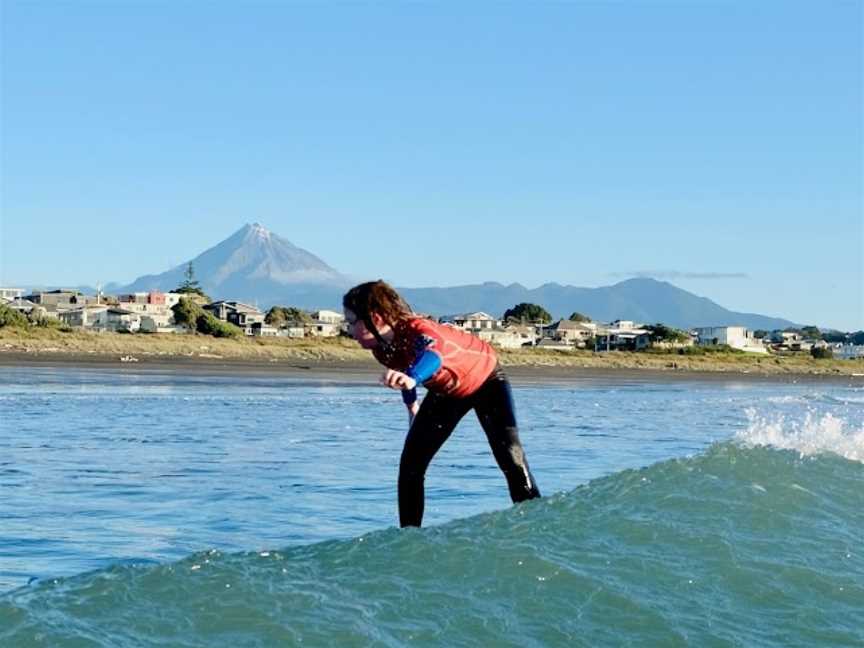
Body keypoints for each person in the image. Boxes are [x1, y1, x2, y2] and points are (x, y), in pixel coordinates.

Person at [343, 280, 541, 527]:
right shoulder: (381, 348)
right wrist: (411, 406)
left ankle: (536, 522)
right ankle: (409, 537)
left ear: (376, 318)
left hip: (486, 378)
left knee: (510, 455)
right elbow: (403, 372)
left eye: (352, 322)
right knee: (410, 466)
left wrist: (413, 378)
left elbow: (433, 355)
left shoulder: (419, 329)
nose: (349, 331)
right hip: (447, 391)